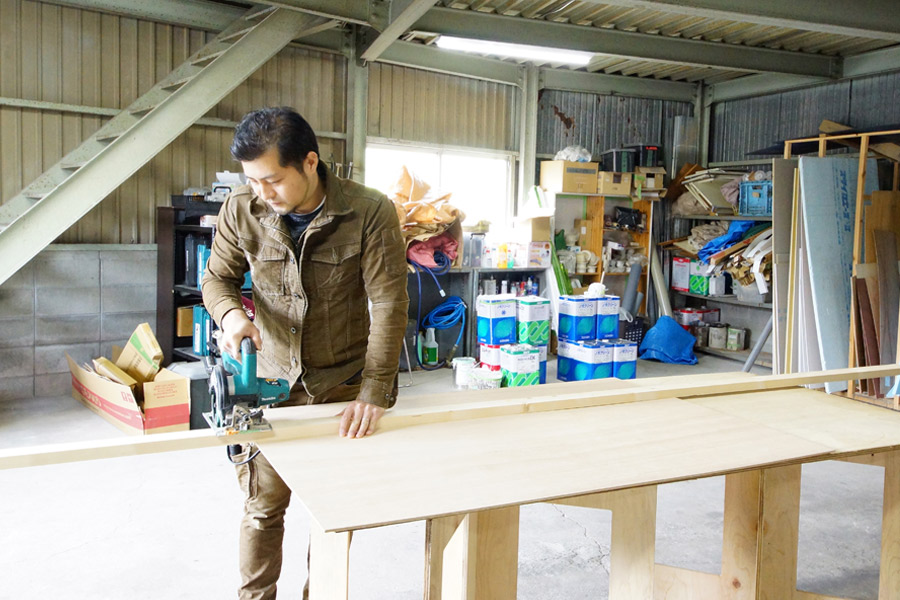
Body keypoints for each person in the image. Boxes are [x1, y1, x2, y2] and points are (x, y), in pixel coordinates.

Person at [201, 106, 409, 599]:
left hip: (340, 387)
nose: (261, 192)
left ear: (310, 163)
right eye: (252, 180)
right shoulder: (241, 209)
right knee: (262, 509)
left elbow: (388, 302)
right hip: (266, 388)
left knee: (331, 514)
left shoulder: (369, 211)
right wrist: (233, 318)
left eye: (272, 180)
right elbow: (217, 279)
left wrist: (375, 392)